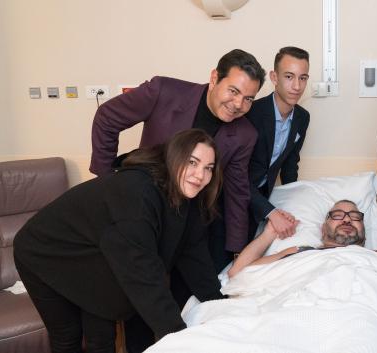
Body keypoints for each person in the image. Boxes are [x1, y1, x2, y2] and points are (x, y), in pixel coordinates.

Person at [14, 129, 224, 353]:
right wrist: (179, 338)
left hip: (93, 253)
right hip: (42, 252)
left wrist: (218, 302)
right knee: (67, 336)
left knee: (101, 334)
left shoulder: (187, 197)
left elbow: (194, 254)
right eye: (192, 162)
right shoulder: (137, 193)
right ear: (174, 157)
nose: (200, 175)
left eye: (208, 168)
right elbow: (144, 274)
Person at [89, 49, 266, 272]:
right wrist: (108, 182)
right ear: (214, 79)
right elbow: (107, 118)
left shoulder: (245, 135)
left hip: (188, 221)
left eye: (248, 98)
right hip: (141, 203)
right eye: (233, 91)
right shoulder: (163, 91)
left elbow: (237, 192)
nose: (238, 104)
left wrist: (238, 251)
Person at [246, 46, 311, 239]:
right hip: (236, 196)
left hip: (265, 198)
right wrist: (270, 212)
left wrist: (292, 207)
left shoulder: (302, 117)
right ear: (274, 77)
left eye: (303, 78)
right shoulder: (251, 113)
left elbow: (290, 166)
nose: (297, 86)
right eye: (289, 77)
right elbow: (236, 174)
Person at [229, 199, 365, 277]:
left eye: (355, 216)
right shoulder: (299, 252)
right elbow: (237, 272)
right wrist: (269, 232)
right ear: (323, 229)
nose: (347, 220)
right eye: (337, 215)